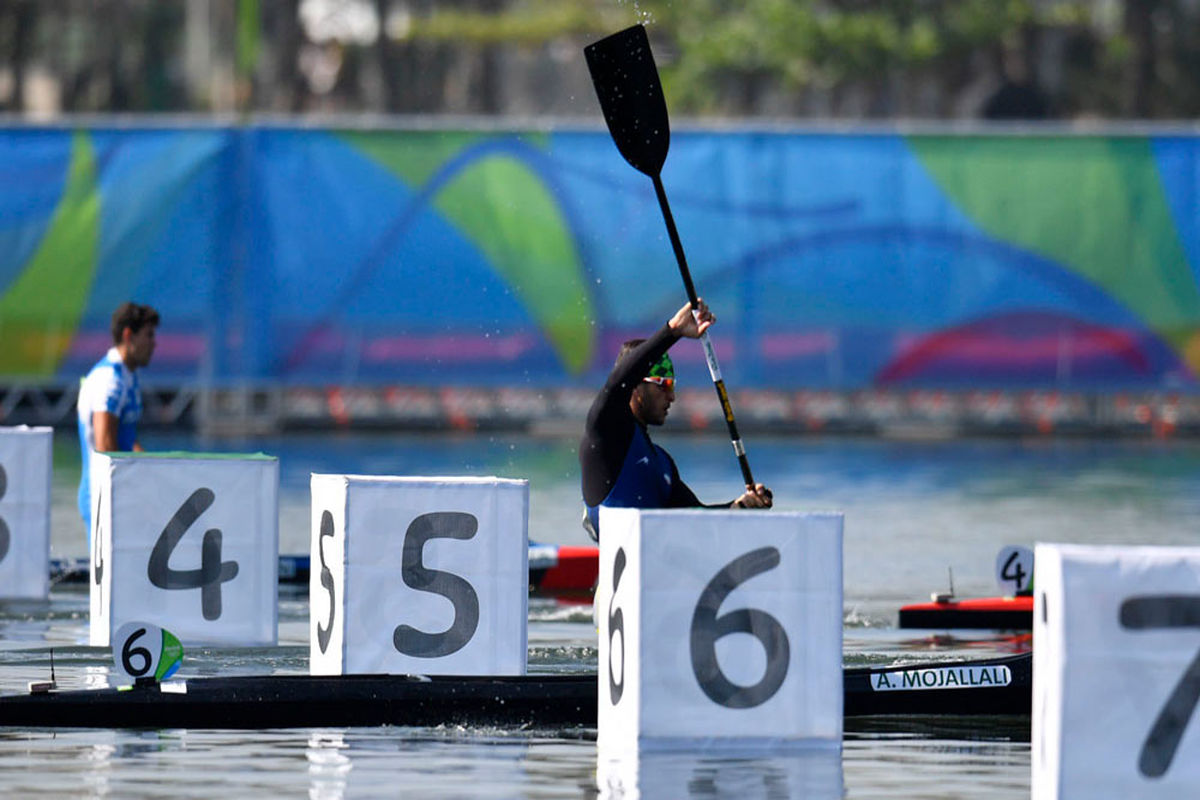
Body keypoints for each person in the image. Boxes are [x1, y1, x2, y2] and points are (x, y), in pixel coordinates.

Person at [579, 299, 772, 540]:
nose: (672, 396)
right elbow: (618, 382)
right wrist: (673, 330)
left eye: (673, 385)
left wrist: (740, 506)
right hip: (620, 574)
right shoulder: (605, 435)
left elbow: (695, 517)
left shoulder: (662, 463)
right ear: (636, 388)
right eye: (663, 385)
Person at [77, 302, 159, 542]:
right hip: (102, 496)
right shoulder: (109, 380)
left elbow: (127, 439)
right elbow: (105, 445)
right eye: (149, 335)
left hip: (120, 494)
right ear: (128, 335)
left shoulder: (128, 375)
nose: (154, 343)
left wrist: (155, 473)